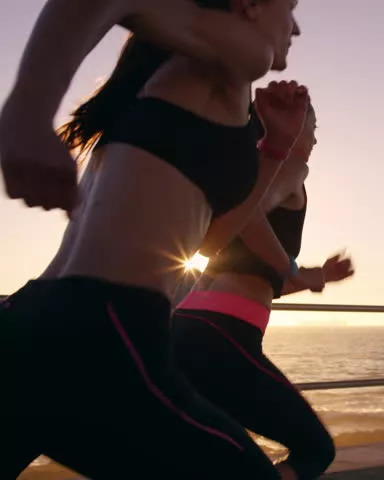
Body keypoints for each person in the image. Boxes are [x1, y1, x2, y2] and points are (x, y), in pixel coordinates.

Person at [0, 0, 312, 478]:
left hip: (27, 321)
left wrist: (272, 149)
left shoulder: (165, 80)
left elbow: (210, 239)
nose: (295, 26)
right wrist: (25, 112)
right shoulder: (245, 52)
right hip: (105, 336)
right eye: (289, 6)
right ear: (249, 6)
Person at [172, 102, 355, 480]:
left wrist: (317, 275)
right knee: (315, 449)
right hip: (223, 336)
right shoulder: (291, 169)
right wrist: (296, 270)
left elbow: (256, 279)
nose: (317, 136)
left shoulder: (248, 172)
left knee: (209, 456)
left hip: (186, 326)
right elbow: (246, 216)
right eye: (313, 125)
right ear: (287, 125)